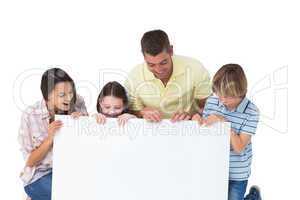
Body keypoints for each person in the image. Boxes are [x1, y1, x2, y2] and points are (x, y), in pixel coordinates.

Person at [192, 64, 262, 200]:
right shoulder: (213, 101)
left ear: (241, 92)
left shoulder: (252, 112)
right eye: (219, 94)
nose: (223, 100)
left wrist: (224, 123)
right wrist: (196, 119)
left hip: (237, 173)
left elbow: (239, 148)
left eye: (228, 96)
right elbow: (206, 132)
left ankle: (253, 197)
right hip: (214, 168)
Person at [18, 68, 88, 200]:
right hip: (41, 174)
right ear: (47, 96)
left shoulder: (77, 102)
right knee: (66, 195)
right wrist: (50, 138)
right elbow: (30, 161)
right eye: (62, 95)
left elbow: (86, 143)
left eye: (71, 92)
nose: (69, 98)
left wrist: (83, 121)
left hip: (72, 169)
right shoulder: (30, 115)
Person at [125, 29, 211, 122]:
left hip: (187, 127)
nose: (158, 70)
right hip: (149, 130)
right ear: (143, 57)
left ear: (171, 51)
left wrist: (192, 115)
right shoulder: (134, 76)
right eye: (151, 65)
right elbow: (129, 112)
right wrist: (142, 112)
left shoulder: (195, 68)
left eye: (163, 62)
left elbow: (208, 107)